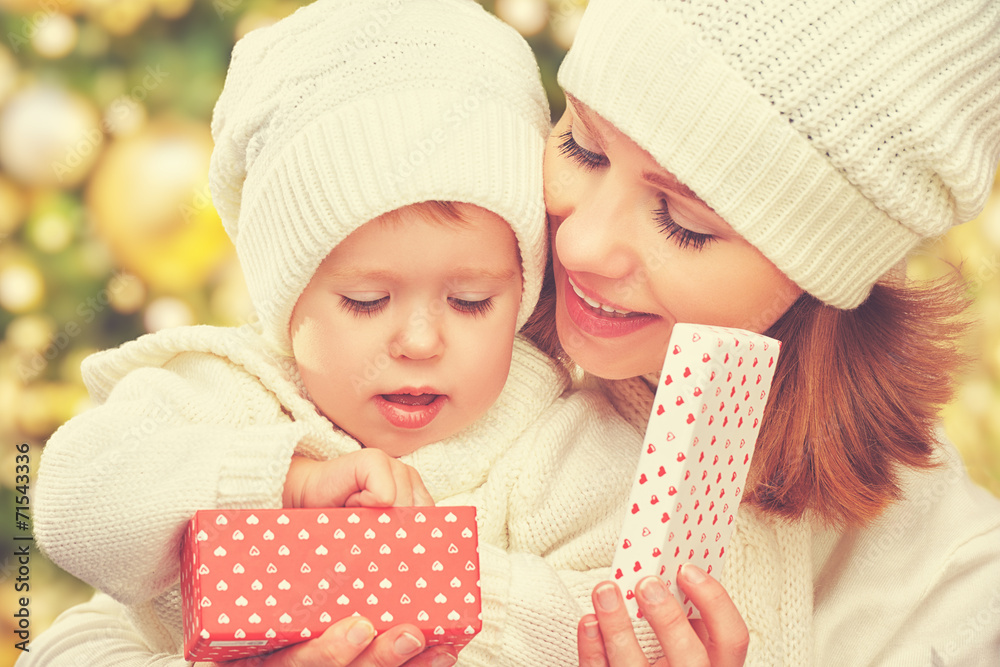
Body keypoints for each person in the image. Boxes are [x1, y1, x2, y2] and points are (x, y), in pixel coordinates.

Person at [26, 1, 650, 665]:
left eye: (470, 301)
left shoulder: (560, 441)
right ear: (288, 299)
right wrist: (279, 482)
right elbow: (73, 506)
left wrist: (432, 588)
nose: (419, 340)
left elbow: (631, 625)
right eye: (366, 299)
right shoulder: (229, 391)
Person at [518, 0, 1000, 664]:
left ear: (818, 274)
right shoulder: (424, 336)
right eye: (582, 145)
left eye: (682, 222)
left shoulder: (958, 597)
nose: (580, 243)